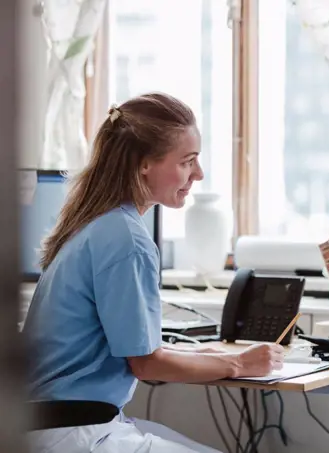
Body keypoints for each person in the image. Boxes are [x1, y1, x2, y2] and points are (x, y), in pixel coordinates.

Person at [22, 93, 284, 453]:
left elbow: (138, 350)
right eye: (187, 162)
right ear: (144, 164)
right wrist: (238, 363)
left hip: (51, 425)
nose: (199, 174)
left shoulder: (94, 224)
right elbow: (145, 363)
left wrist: (210, 354)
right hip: (75, 432)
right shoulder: (127, 238)